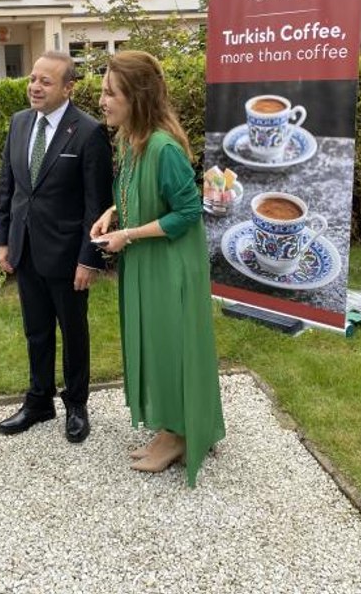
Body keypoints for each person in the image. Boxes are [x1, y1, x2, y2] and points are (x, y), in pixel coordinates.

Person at [90, 50, 225, 487]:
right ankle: (173, 425)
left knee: (171, 346)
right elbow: (143, 193)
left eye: (111, 93)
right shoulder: (132, 141)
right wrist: (114, 211)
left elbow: (187, 212)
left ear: (137, 97)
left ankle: (178, 435)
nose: (102, 101)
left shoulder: (163, 148)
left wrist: (127, 234)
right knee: (156, 343)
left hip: (171, 266)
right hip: (149, 260)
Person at [0, 51, 113, 443]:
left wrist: (89, 258)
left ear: (68, 87)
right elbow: (8, 187)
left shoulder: (88, 132)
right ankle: (39, 401)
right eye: (33, 78)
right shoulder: (19, 123)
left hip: (67, 255)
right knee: (36, 330)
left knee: (73, 332)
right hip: (26, 248)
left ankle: (76, 404)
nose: (35, 87)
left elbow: (97, 204)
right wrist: (2, 239)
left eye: (45, 81)